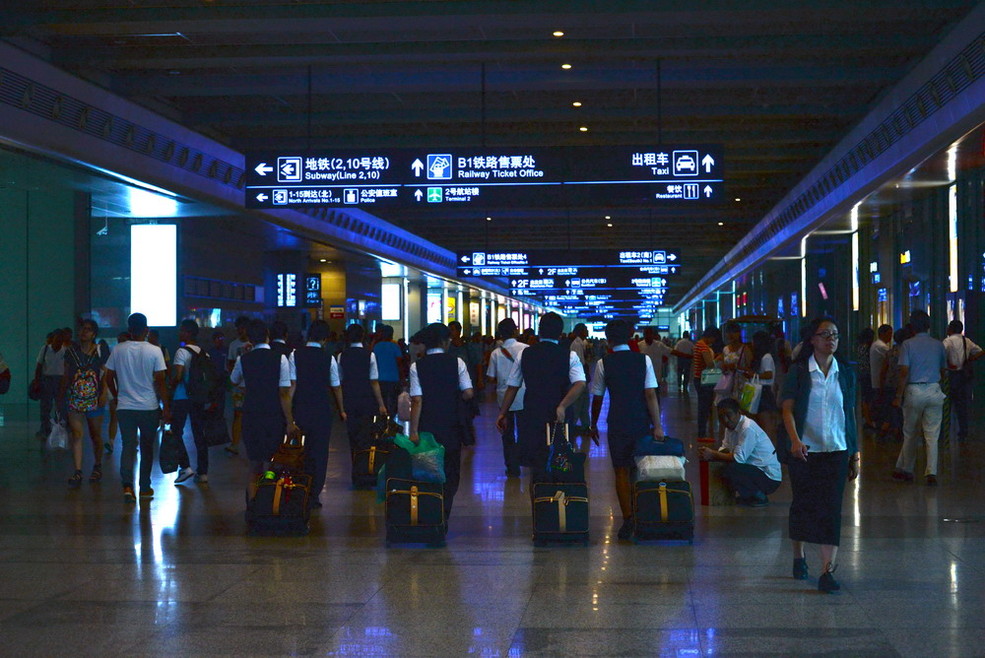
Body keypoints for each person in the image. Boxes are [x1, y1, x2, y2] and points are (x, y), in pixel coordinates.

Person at [779, 316, 858, 593]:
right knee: (803, 504)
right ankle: (798, 556)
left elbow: (850, 414)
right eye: (825, 334)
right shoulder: (799, 371)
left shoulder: (845, 372)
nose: (831, 339)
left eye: (835, 334)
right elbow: (787, 409)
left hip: (836, 450)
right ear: (812, 339)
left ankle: (827, 571)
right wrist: (794, 440)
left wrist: (854, 453)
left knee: (831, 510)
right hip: (805, 451)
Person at [589, 319, 664, 540]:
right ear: (631, 337)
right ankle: (643, 515)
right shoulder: (644, 360)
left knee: (621, 471)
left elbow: (598, 397)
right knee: (640, 469)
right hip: (640, 422)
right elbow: (650, 394)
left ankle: (628, 518)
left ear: (608, 340)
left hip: (617, 423)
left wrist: (593, 424)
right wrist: (657, 426)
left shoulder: (604, 363)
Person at [496, 312, 586, 478]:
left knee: (536, 465)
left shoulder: (525, 354)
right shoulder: (569, 355)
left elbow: (513, 387)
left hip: (532, 415)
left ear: (540, 331)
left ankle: (539, 498)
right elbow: (580, 383)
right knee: (561, 461)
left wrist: (503, 413)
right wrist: (563, 405)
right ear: (560, 332)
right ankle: (559, 497)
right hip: (561, 418)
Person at [407, 322, 474, 521]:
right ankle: (445, 509)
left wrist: (413, 431)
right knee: (451, 470)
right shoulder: (458, 362)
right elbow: (469, 393)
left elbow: (417, 400)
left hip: (428, 427)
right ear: (445, 342)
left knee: (429, 470)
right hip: (452, 425)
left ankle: (431, 511)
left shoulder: (416, 366)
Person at [104, 313, 170, 502]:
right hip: (148, 407)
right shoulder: (155, 351)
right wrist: (166, 407)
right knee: (147, 447)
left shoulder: (118, 349)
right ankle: (145, 487)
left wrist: (117, 396)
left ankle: (127, 486)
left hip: (125, 407)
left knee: (128, 446)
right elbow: (160, 381)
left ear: (129, 329)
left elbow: (108, 377)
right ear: (146, 330)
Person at [229, 319, 298, 496]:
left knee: (254, 465)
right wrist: (290, 421)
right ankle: (268, 501)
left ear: (250, 339)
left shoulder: (243, 359)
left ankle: (252, 506)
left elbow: (233, 381)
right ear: (267, 336)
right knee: (272, 461)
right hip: (273, 416)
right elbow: (284, 393)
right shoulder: (280, 359)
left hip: (251, 415)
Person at [892, 310, 947, 485]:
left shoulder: (907, 344)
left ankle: (907, 469)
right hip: (934, 390)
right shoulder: (938, 345)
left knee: (910, 433)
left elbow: (903, 372)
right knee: (932, 434)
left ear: (912, 326)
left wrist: (898, 395)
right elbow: (943, 370)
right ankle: (931, 472)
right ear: (928, 325)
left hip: (914, 390)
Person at [700, 397, 782, 506]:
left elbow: (738, 458)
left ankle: (758, 497)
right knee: (726, 467)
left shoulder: (747, 428)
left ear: (738, 413)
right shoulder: (730, 428)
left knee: (732, 468)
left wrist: (713, 454)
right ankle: (749, 496)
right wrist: (709, 454)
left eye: (729, 415)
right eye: (721, 417)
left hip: (769, 477)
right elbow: (725, 449)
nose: (725, 420)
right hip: (755, 470)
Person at [290, 320, 334, 508]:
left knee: (300, 450)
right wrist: (341, 409)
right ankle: (314, 492)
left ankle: (299, 487)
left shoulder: (295, 355)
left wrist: (288, 412)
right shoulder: (328, 357)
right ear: (325, 338)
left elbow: (291, 385)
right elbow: (335, 384)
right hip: (322, 409)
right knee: (319, 451)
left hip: (300, 407)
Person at [60, 319, 109, 486]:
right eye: (82, 329)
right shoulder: (71, 352)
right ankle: (78, 471)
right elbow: (66, 375)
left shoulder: (100, 351)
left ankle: (97, 465)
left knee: (95, 435)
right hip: (74, 398)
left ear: (94, 333)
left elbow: (105, 374)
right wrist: (62, 395)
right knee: (77, 434)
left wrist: (104, 393)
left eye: (88, 330)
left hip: (94, 398)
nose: (84, 332)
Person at [331, 324, 387, 466]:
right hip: (367, 400)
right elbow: (374, 382)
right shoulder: (370, 355)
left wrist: (341, 408)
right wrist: (381, 404)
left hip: (349, 399)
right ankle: (365, 467)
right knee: (366, 434)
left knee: (352, 435)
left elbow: (340, 381)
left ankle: (355, 466)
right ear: (363, 336)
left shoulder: (341, 356)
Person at [169, 319, 210, 485]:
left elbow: (178, 376)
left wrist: (169, 388)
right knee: (199, 434)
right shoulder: (204, 353)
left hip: (181, 397)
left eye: (181, 330)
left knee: (175, 432)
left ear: (187, 333)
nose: (179, 333)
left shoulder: (181, 352)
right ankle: (203, 472)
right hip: (198, 398)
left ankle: (185, 466)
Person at [485, 318, 527, 477]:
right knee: (524, 430)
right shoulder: (526, 349)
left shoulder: (496, 353)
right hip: (523, 394)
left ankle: (511, 466)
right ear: (515, 331)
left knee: (507, 433)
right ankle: (525, 460)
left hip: (504, 397)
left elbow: (490, 377)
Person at [942, 320, 982, 443]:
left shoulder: (947, 341)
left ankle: (944, 432)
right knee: (962, 406)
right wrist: (969, 359)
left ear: (950, 329)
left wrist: (947, 364)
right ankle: (963, 432)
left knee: (946, 404)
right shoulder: (967, 341)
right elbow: (980, 351)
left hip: (951, 375)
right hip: (963, 376)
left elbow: (941, 354)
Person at [741, 330, 779, 445]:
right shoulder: (761, 356)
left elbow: (769, 374)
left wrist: (753, 375)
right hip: (761, 392)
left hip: (763, 393)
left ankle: (770, 451)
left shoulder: (766, 357)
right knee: (761, 424)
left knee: (766, 425)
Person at [33, 328, 68, 440]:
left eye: (60, 340)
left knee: (61, 406)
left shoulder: (65, 351)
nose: (57, 342)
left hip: (60, 380)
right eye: (56, 339)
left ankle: (59, 428)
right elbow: (39, 366)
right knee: (45, 406)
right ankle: (45, 428)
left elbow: (67, 368)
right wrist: (37, 381)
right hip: (47, 379)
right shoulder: (45, 349)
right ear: (52, 339)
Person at [226, 316, 252, 455]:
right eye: (238, 328)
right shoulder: (233, 345)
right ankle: (235, 443)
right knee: (237, 414)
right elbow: (229, 364)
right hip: (238, 387)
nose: (240, 331)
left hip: (252, 386)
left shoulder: (254, 344)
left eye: (243, 328)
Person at [104, 332, 129, 454]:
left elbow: (108, 375)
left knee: (119, 417)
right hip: (120, 391)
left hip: (122, 392)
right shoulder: (116, 353)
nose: (120, 343)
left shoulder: (117, 353)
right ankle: (112, 441)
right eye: (119, 340)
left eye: (122, 340)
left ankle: (118, 441)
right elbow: (109, 375)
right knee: (115, 416)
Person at [692, 327, 719, 440]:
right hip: (704, 380)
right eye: (713, 338)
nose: (714, 341)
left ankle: (702, 432)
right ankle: (702, 433)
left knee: (703, 406)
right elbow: (709, 364)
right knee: (704, 407)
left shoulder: (698, 344)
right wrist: (718, 359)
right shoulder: (703, 346)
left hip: (698, 378)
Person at [373, 324, 403, 418]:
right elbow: (399, 363)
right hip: (394, 378)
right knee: (393, 400)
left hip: (379, 379)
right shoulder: (395, 346)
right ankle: (391, 419)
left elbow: (374, 362)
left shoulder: (376, 346)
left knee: (382, 400)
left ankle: (383, 419)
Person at [868, 324, 893, 436]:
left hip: (877, 381)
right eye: (889, 334)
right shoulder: (882, 347)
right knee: (883, 406)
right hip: (880, 382)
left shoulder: (876, 345)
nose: (890, 337)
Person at [567, 323, 591, 435]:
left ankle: (585, 425)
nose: (587, 332)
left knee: (584, 403)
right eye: (585, 330)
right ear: (581, 331)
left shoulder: (580, 343)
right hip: (578, 378)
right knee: (578, 403)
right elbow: (579, 363)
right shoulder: (576, 344)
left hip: (581, 377)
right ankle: (574, 425)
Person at [640, 327, 672, 398]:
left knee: (656, 398)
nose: (647, 335)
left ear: (652, 334)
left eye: (649, 333)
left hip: (656, 377)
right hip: (643, 378)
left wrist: (687, 356)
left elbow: (671, 351)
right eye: (645, 333)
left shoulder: (659, 345)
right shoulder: (639, 345)